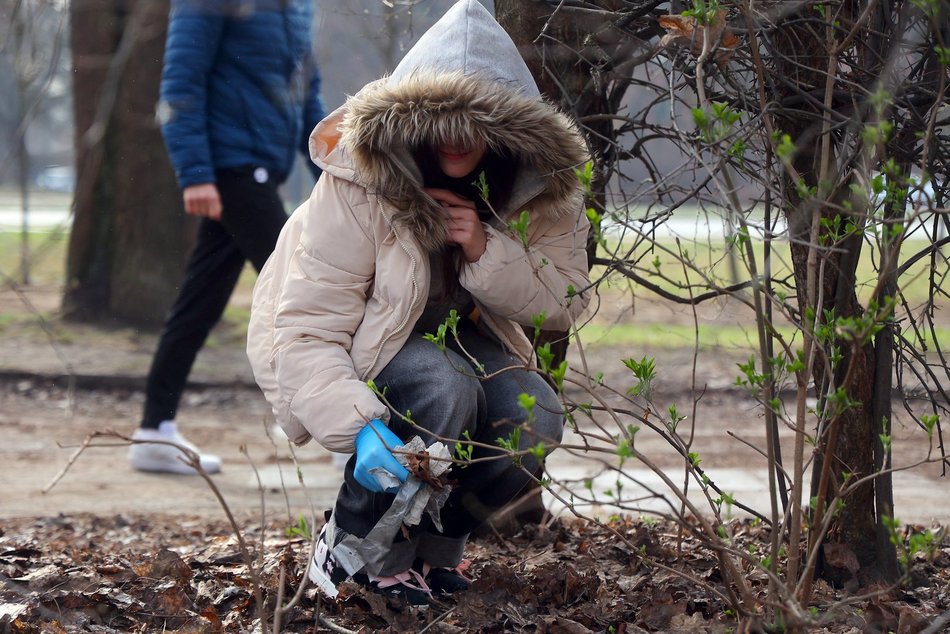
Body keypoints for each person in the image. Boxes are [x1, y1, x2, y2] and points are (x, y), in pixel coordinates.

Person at [247, 0, 590, 605]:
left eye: (476, 120)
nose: (457, 135)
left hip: (465, 343)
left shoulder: (538, 190)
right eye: (441, 117)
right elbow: (303, 326)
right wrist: (358, 430)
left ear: (506, 127)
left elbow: (563, 302)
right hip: (355, 346)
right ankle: (351, 551)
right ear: (412, 119)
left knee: (531, 417)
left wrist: (484, 247)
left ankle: (434, 554)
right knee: (442, 382)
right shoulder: (358, 183)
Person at [128, 0, 325, 475]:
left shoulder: (296, 7)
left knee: (200, 302)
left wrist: (330, 169)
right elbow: (180, 81)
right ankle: (346, 423)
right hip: (231, 169)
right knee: (306, 289)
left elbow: (307, 93)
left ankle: (155, 429)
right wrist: (195, 172)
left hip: (258, 171)